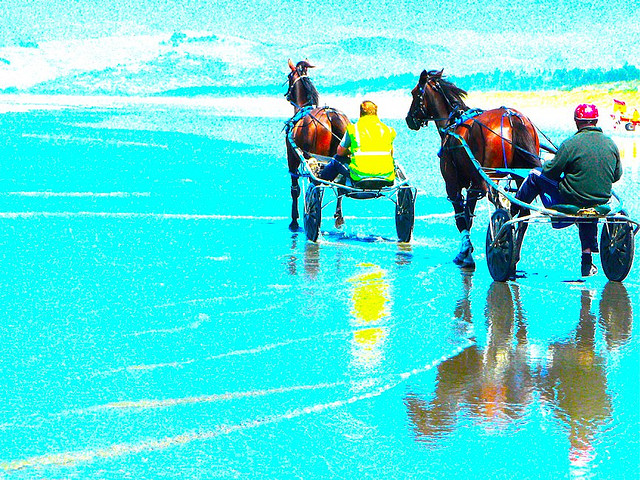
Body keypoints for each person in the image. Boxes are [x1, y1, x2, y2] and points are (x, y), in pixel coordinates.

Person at [513, 103, 622, 277]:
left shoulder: (570, 144)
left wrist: (551, 162)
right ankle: (586, 262)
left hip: (572, 200)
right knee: (587, 202)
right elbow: (616, 176)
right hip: (600, 201)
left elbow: (551, 171)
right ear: (596, 121)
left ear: (577, 122)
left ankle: (516, 206)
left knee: (535, 174)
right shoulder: (611, 144)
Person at [319, 100, 396, 184]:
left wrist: (351, 150)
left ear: (360, 113)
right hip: (386, 176)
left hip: (360, 176)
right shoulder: (388, 130)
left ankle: (319, 181)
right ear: (376, 113)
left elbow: (340, 152)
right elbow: (391, 154)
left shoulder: (353, 129)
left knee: (336, 159)